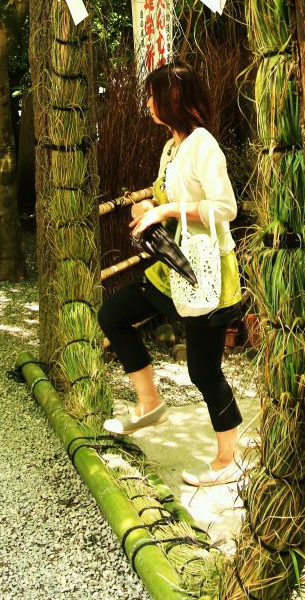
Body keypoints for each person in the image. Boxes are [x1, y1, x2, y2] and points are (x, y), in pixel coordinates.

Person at [98, 60, 244, 487]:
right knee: (114, 316)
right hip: (171, 269)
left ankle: (227, 458)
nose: (146, 103)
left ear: (171, 101)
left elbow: (225, 208)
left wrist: (164, 209)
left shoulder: (203, 145)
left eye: (152, 95)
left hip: (206, 275)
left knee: (203, 370)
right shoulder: (172, 146)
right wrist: (148, 208)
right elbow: (169, 195)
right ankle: (150, 403)